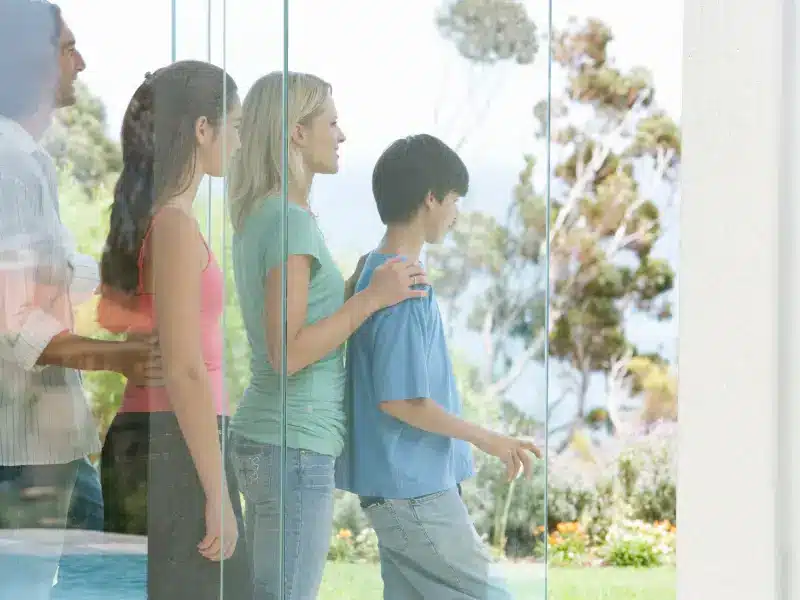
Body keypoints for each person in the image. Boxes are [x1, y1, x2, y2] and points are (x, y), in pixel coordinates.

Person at [227, 71, 427, 600]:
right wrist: (370, 299)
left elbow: (292, 323)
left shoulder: (264, 216)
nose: (342, 136)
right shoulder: (290, 221)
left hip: (274, 438)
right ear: (296, 133)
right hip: (291, 445)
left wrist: (353, 286)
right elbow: (288, 351)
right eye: (332, 123)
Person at [335, 134, 543, 600]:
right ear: (430, 198)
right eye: (454, 200)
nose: (456, 212)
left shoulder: (374, 271)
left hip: (393, 490)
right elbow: (401, 401)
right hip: (415, 490)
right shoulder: (405, 284)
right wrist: (491, 439)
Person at [0, 2, 159, 598]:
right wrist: (118, 357)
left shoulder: (27, 162)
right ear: (31, 60)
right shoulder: (9, 163)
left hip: (50, 446)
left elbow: (61, 274)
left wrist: (138, 283)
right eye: (69, 49)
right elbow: (15, 325)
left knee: (107, 571)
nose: (81, 62)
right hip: (20, 458)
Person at [96, 60, 251, 599]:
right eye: (235, 123)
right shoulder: (175, 227)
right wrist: (216, 493)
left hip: (160, 440)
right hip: (175, 443)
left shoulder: (158, 220)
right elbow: (185, 368)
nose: (238, 140)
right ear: (202, 129)